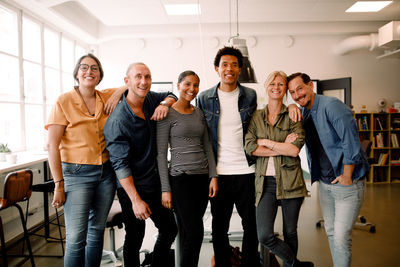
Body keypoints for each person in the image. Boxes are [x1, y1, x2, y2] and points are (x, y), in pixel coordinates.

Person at [46, 53, 125, 267]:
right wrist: (58, 185)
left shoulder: (105, 97)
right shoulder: (63, 101)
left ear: (99, 76)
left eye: (94, 68)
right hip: (76, 174)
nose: (89, 71)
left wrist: (119, 91)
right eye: (84, 67)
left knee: (96, 232)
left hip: (105, 174)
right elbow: (52, 145)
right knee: (75, 238)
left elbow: (130, 84)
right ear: (77, 74)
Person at [287, 72, 369, 267]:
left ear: (310, 86)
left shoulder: (331, 106)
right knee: (331, 232)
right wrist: (290, 106)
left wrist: (347, 175)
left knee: (340, 237)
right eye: (292, 93)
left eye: (300, 88)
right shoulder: (305, 112)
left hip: (347, 183)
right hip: (325, 182)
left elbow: (350, 140)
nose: (297, 95)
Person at [104, 62, 178, 267]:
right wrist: (135, 200)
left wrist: (165, 104)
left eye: (147, 76)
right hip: (132, 187)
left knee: (169, 229)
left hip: (153, 181)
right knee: (135, 237)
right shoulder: (118, 120)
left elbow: (173, 94)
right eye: (138, 77)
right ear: (127, 81)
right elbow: (120, 164)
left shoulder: (151, 99)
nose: (143, 82)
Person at [196, 46, 260, 267]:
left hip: (247, 171)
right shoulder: (204, 98)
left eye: (234, 64)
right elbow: (202, 137)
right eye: (224, 64)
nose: (229, 69)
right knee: (219, 227)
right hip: (220, 173)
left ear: (240, 69)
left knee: (252, 225)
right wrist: (210, 174)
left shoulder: (250, 95)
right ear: (217, 69)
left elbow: (257, 127)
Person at [244, 71, 313, 267]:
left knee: (290, 231)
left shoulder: (293, 114)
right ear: (266, 87)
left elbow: (293, 150)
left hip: (291, 180)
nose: (276, 87)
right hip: (265, 183)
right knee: (264, 235)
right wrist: (281, 145)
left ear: (286, 90)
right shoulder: (256, 117)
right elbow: (250, 147)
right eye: (272, 84)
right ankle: (296, 264)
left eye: (281, 84)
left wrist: (266, 141)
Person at [156, 70, 219, 267]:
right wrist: (165, 189)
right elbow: (160, 154)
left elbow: (207, 145)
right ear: (178, 85)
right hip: (181, 180)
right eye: (187, 84)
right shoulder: (167, 114)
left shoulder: (198, 112)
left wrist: (213, 176)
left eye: (195, 85)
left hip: (201, 179)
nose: (192, 89)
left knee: (188, 231)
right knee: (195, 232)